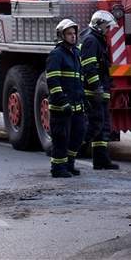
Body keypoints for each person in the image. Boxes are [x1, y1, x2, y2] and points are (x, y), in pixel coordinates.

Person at [45, 19, 86, 178]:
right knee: (61, 138)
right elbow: (53, 80)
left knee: (78, 135)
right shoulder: (56, 55)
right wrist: (62, 101)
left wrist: (84, 100)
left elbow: (79, 79)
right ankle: (57, 168)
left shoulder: (76, 53)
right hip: (61, 107)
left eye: (74, 33)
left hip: (76, 105)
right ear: (62, 35)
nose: (73, 36)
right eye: (69, 34)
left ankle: (69, 164)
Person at [79, 11, 120, 170]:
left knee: (102, 126)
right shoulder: (91, 40)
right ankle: (70, 152)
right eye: (106, 27)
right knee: (94, 126)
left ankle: (101, 160)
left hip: (99, 90)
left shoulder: (96, 39)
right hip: (93, 92)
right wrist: (96, 88)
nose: (108, 30)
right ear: (98, 25)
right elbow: (89, 66)